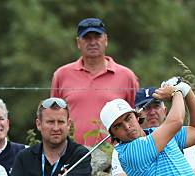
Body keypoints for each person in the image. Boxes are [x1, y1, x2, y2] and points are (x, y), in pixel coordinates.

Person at [51, 17, 139, 146]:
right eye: (87, 38)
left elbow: (136, 118)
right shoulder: (62, 75)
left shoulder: (126, 76)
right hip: (71, 154)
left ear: (106, 40)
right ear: (78, 42)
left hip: (116, 153)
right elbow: (54, 117)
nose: (92, 42)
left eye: (97, 37)